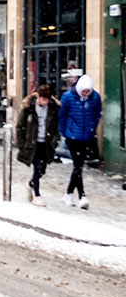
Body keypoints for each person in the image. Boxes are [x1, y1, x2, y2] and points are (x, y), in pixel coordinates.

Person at [58, 74, 102, 209]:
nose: (86, 94)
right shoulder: (68, 97)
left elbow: (97, 115)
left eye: (88, 91)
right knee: (78, 164)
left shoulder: (95, 98)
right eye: (84, 91)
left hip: (86, 136)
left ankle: (69, 193)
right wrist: (64, 132)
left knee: (78, 165)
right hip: (72, 136)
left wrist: (92, 129)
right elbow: (62, 116)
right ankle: (82, 195)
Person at [16, 84, 59, 206]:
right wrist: (22, 145)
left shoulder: (51, 109)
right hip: (32, 143)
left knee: (42, 170)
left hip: (45, 143)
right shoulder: (29, 108)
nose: (45, 102)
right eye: (43, 99)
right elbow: (19, 127)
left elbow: (54, 126)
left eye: (47, 100)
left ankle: (30, 184)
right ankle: (37, 195)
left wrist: (53, 141)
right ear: (38, 97)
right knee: (38, 167)